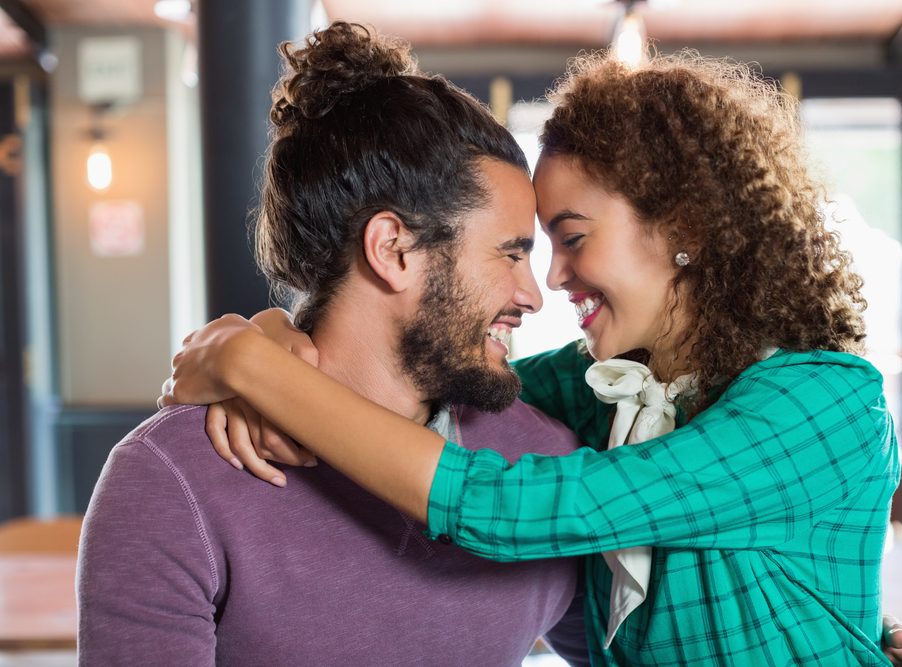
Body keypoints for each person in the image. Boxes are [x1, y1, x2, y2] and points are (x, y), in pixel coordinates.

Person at [164, 40, 902, 667]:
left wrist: (254, 369)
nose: (550, 279)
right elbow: (425, 375)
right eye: (531, 247)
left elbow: (505, 506)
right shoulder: (607, 388)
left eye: (571, 238)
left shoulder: (825, 400)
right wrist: (270, 334)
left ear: (683, 225)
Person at [77, 23, 590, 666]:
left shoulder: (544, 460)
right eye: (510, 254)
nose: (533, 295)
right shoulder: (172, 478)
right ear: (392, 249)